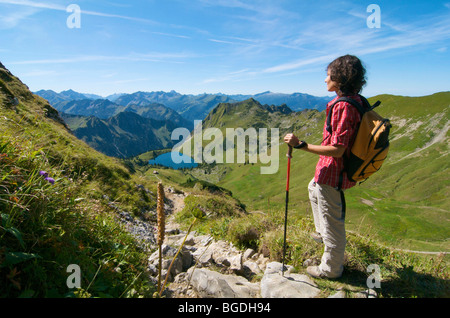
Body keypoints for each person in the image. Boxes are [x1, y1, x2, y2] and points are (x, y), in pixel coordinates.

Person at [284, 54, 367, 279]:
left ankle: (330, 269)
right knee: (313, 187)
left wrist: (301, 145)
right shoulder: (357, 100)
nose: (325, 80)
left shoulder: (343, 107)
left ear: (339, 79)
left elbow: (338, 149)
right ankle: (322, 232)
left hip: (333, 173)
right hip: (333, 171)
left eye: (328, 75)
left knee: (334, 222)